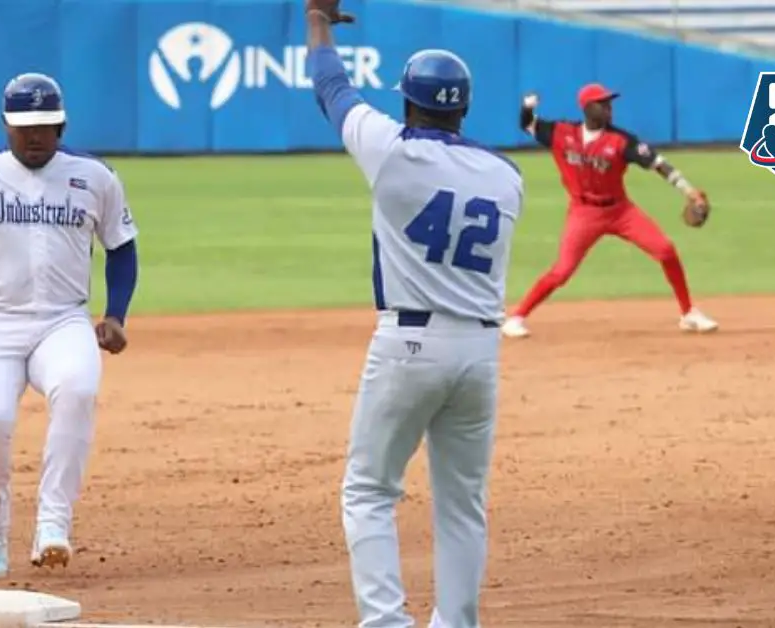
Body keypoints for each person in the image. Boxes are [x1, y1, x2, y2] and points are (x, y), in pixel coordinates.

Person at [305, 2, 523, 626]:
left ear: (407, 103)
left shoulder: (391, 149)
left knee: (370, 491)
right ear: (465, 107)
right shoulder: (507, 176)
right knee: (462, 506)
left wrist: (318, 20)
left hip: (409, 345)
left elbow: (331, 86)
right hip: (480, 353)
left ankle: (386, 623)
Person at [0, 72, 140, 579]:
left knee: (78, 389)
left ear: (61, 125)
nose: (34, 136)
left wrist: (117, 314)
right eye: (23, 127)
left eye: (43, 126)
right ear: (5, 125)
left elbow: (122, 248)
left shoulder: (94, 176)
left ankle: (54, 523)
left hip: (63, 319)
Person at [501, 85, 718, 338]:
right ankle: (516, 317)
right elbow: (528, 124)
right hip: (584, 213)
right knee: (562, 271)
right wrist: (527, 107)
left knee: (665, 250)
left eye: (609, 103)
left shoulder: (621, 140)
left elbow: (658, 164)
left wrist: (688, 190)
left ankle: (688, 313)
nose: (608, 108)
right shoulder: (562, 133)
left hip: (620, 211)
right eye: (602, 103)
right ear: (587, 108)